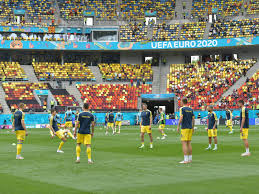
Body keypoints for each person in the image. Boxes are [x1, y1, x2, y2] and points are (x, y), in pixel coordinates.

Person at [177, 98, 195, 164]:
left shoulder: (182, 109)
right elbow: (193, 119)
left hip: (184, 127)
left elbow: (181, 117)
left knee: (184, 143)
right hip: (190, 127)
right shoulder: (190, 109)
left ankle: (185, 160)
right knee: (189, 143)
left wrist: (178, 125)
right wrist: (193, 127)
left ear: (182, 102)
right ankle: (190, 159)